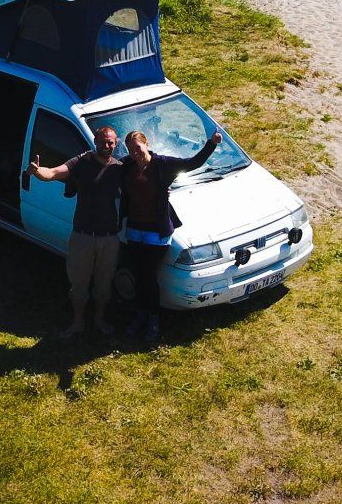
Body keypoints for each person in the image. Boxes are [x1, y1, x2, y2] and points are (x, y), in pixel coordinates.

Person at [119, 127, 222, 345]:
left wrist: (211, 143)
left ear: (147, 144)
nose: (134, 153)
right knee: (138, 275)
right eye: (130, 150)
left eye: (137, 147)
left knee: (149, 277)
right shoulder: (127, 165)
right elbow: (108, 168)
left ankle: (153, 321)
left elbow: (192, 163)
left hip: (156, 233)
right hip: (135, 230)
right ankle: (141, 316)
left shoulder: (163, 165)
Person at [28, 126, 124, 338]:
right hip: (83, 237)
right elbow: (52, 173)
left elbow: (141, 184)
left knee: (104, 284)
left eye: (110, 143)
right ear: (95, 141)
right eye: (103, 142)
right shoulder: (82, 162)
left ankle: (99, 320)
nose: (106, 146)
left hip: (109, 238)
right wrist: (37, 171)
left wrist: (162, 189)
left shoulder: (119, 169)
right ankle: (78, 323)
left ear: (116, 145)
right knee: (79, 285)